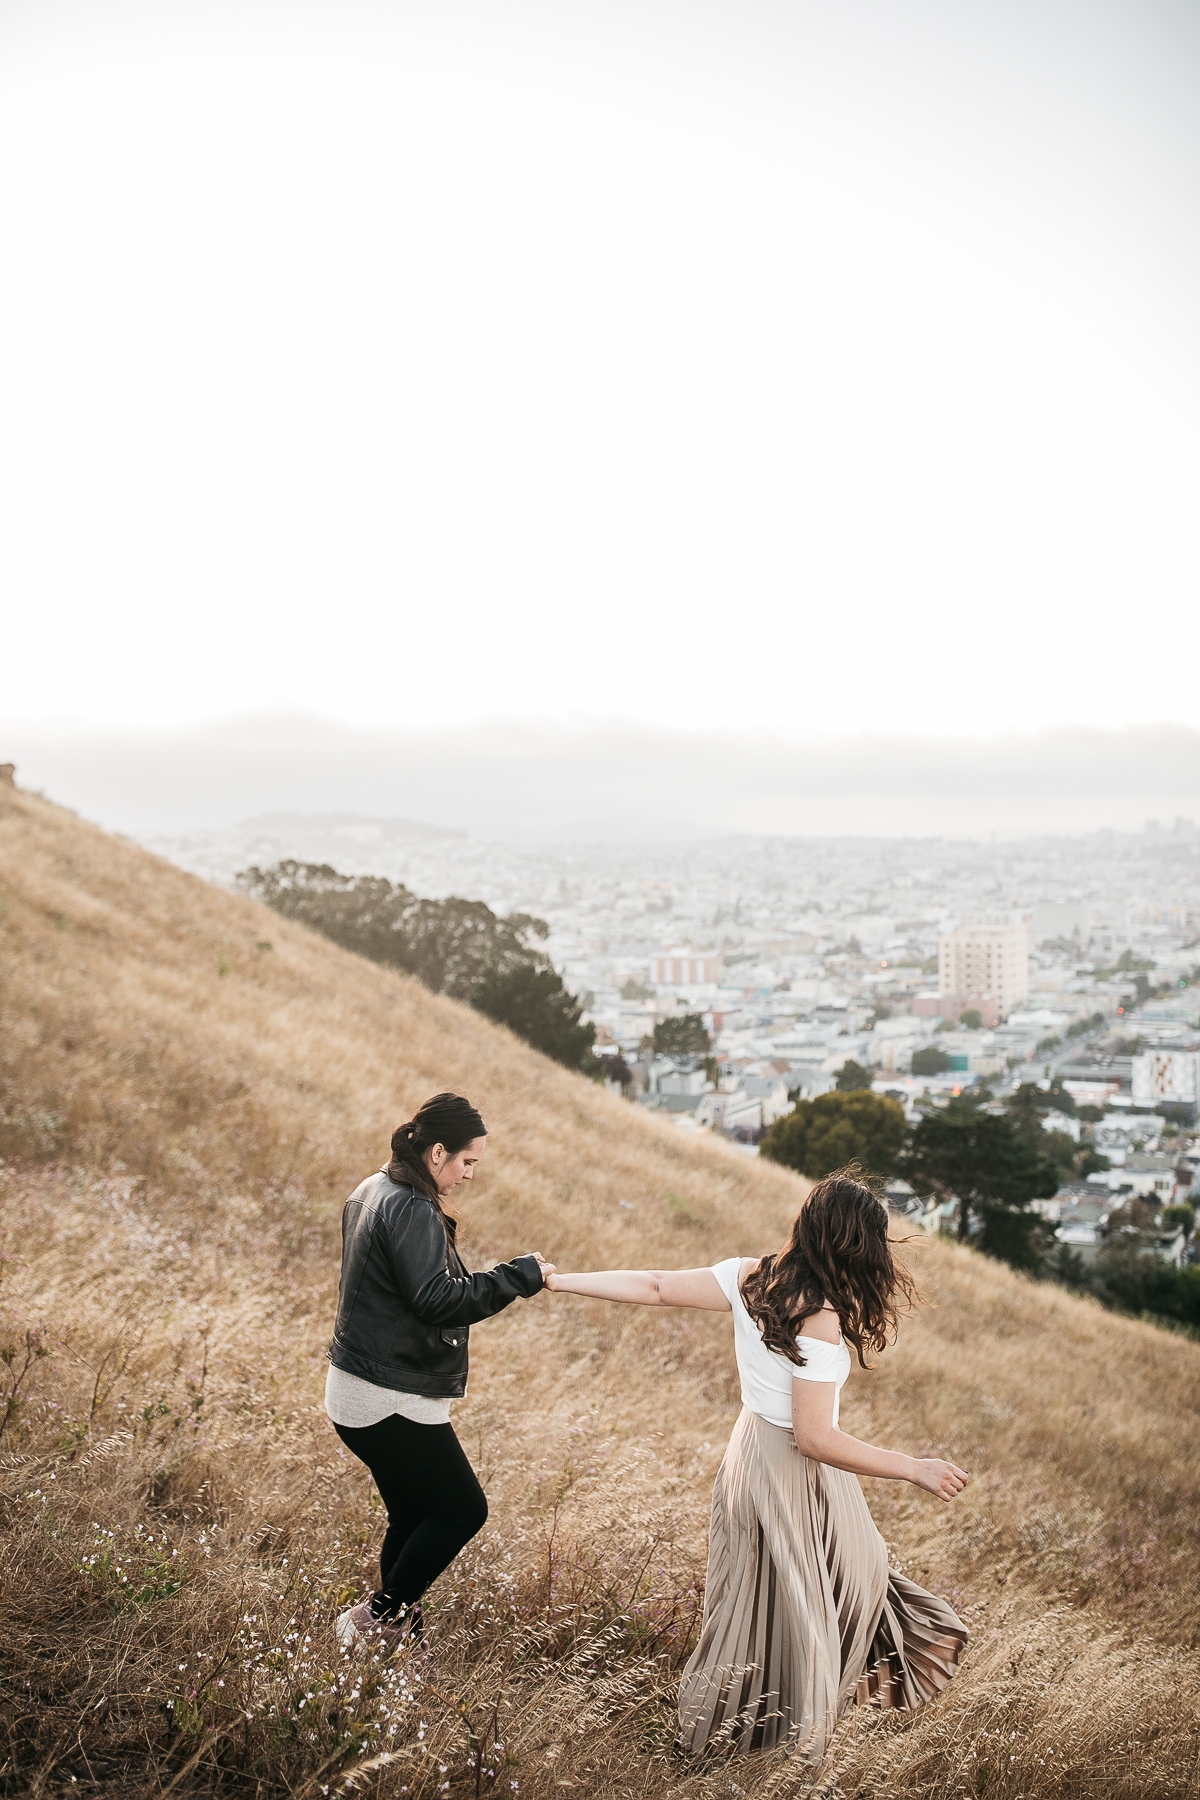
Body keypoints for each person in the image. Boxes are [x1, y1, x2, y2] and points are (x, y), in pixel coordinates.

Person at [543, 1170, 968, 1761]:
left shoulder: (751, 1276)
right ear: (855, 1244)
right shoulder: (818, 1316)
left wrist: (559, 1282)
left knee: (764, 1598)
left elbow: (657, 1285)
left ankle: (741, 1736)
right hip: (793, 1471)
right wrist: (911, 1467)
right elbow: (815, 1437)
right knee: (818, 1602)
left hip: (749, 1455)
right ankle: (778, 1746)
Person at [326, 1092, 552, 1652]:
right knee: (460, 1510)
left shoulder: (375, 1188)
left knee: (412, 1514)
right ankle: (371, 1623)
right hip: (387, 1394)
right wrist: (516, 1277)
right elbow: (438, 1301)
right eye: (467, 1161)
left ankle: (396, 1642)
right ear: (436, 1154)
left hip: (361, 1386)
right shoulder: (410, 1206)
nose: (470, 1174)